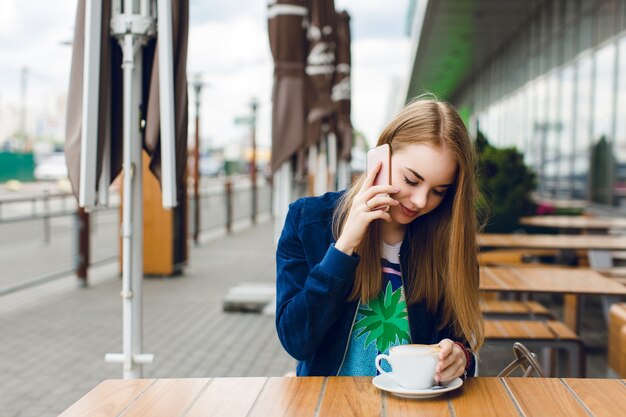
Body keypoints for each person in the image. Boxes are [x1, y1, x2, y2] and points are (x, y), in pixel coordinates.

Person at [275, 98, 484, 381]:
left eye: (439, 191)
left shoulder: (447, 237)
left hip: (415, 409)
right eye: (411, 180)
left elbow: (458, 342)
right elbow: (296, 340)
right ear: (381, 158)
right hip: (330, 405)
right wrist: (343, 248)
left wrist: (461, 356)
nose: (421, 201)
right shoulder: (308, 220)